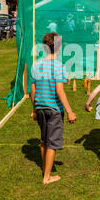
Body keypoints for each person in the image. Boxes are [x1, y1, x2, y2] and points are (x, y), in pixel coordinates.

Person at [30, 32, 77, 184]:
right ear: (59, 48)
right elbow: (59, 90)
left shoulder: (36, 65)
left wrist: (34, 109)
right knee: (52, 143)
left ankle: (45, 169)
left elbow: (33, 90)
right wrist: (70, 111)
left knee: (44, 140)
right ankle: (47, 177)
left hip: (40, 107)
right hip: (54, 110)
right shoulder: (59, 66)